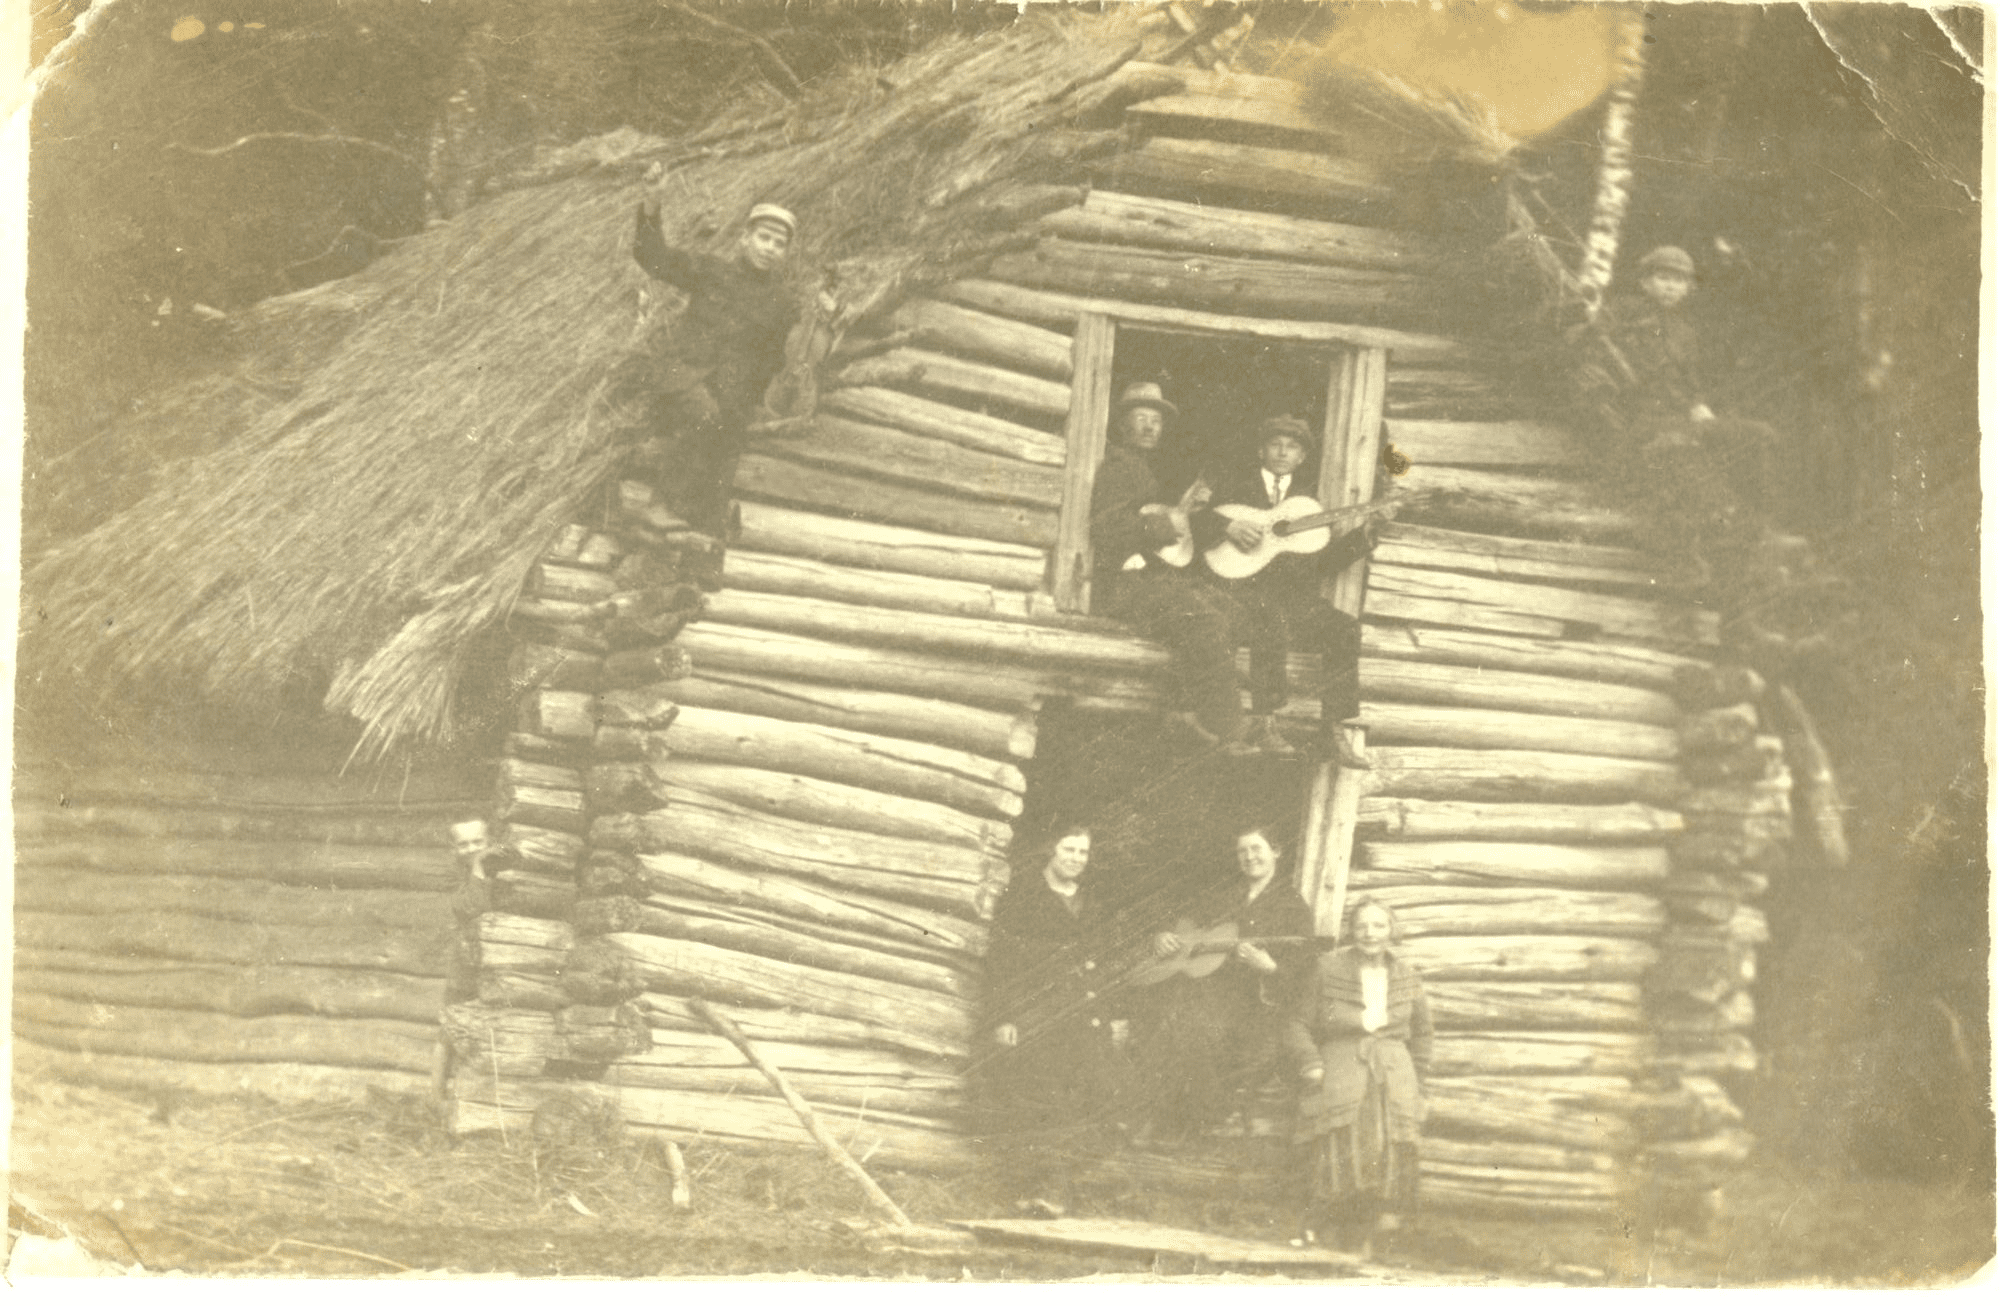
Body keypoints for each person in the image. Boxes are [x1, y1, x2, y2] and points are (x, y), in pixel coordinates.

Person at [1195, 414, 1378, 766]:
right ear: (1261, 451)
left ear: (1301, 457)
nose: (1282, 452)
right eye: (1275, 444)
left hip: (1294, 598)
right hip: (1242, 593)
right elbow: (1192, 521)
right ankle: (1265, 721)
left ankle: (1333, 727)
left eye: (1292, 447)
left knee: (1344, 627)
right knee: (1270, 618)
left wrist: (1365, 536)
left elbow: (1322, 562)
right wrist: (1226, 526)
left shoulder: (1305, 504)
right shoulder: (1235, 487)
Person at [1596, 245, 1783, 587]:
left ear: (1688, 288)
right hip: (1642, 418)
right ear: (1645, 281)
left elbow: (1691, 384)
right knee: (1682, 450)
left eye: (1679, 281)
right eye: (1662, 277)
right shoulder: (1621, 313)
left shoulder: (1684, 331)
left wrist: (1699, 407)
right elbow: (1600, 355)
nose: (1670, 286)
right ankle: (1711, 538)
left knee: (1762, 435)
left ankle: (1759, 525)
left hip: (1681, 415)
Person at [629, 181, 801, 534]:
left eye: (779, 244)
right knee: (705, 415)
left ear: (785, 253)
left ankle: (703, 534)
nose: (769, 248)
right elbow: (653, 258)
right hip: (680, 376)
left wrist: (754, 404)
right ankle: (660, 504)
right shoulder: (711, 271)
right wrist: (651, 207)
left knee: (729, 438)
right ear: (745, 239)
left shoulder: (782, 303)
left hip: (729, 392)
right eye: (764, 238)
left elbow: (775, 359)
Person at [1089, 380, 1251, 753]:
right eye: (1141, 418)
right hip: (1123, 584)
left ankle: (1185, 710)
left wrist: (1186, 511)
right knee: (1205, 619)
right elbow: (1106, 528)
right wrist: (1164, 525)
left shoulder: (1142, 467)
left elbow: (1155, 519)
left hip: (1147, 577)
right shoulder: (1118, 466)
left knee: (1233, 612)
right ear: (1122, 426)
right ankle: (1228, 727)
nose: (1150, 427)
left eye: (1156, 421)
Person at [979, 826, 1129, 1212]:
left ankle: (1054, 1189)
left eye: (1083, 852)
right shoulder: (1022, 896)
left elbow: (1103, 963)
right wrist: (1004, 1017)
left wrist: (1113, 1015)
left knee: (1084, 1098)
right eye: (1069, 849)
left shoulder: (1092, 903)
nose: (1076, 858)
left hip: (1082, 1016)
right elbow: (1001, 961)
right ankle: (1029, 1187)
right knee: (1037, 1100)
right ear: (1052, 849)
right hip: (1035, 1015)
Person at [1134, 824, 1316, 1142]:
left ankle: (1184, 1118)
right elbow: (1185, 926)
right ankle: (1165, 1116)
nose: (1249, 857)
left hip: (1256, 1002)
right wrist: (1163, 935)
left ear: (1276, 852)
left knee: (1191, 1027)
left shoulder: (1292, 905)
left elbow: (1304, 969)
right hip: (1210, 992)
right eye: (1242, 851)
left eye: (1256, 848)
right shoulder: (1225, 896)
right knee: (1172, 1018)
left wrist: (1271, 967)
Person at [1283, 896, 1433, 1256]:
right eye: (1362, 925)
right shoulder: (1326, 968)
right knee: (1338, 1145)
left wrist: (1419, 1084)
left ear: (1392, 930)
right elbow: (1296, 1023)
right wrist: (1310, 1062)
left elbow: (1423, 1034)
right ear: (1351, 930)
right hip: (1341, 1066)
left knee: (1387, 1149)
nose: (1370, 933)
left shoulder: (1408, 976)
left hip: (1393, 1074)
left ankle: (1366, 1239)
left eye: (1379, 925)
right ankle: (1319, 1230)